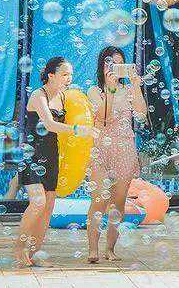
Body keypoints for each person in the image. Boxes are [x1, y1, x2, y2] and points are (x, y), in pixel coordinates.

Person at [13, 56, 97, 268]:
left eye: (71, 75)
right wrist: (79, 130)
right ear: (51, 75)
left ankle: (35, 252)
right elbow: (49, 125)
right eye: (64, 74)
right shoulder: (38, 95)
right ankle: (20, 249)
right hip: (32, 155)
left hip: (51, 156)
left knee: (48, 206)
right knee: (38, 202)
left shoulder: (63, 98)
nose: (69, 78)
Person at [85, 47, 146, 263]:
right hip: (101, 149)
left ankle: (110, 249)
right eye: (110, 63)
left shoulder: (128, 89)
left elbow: (141, 114)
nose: (114, 67)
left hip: (125, 148)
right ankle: (93, 249)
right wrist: (110, 90)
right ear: (102, 66)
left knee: (118, 202)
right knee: (99, 199)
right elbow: (103, 119)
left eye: (119, 63)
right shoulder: (95, 91)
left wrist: (136, 86)